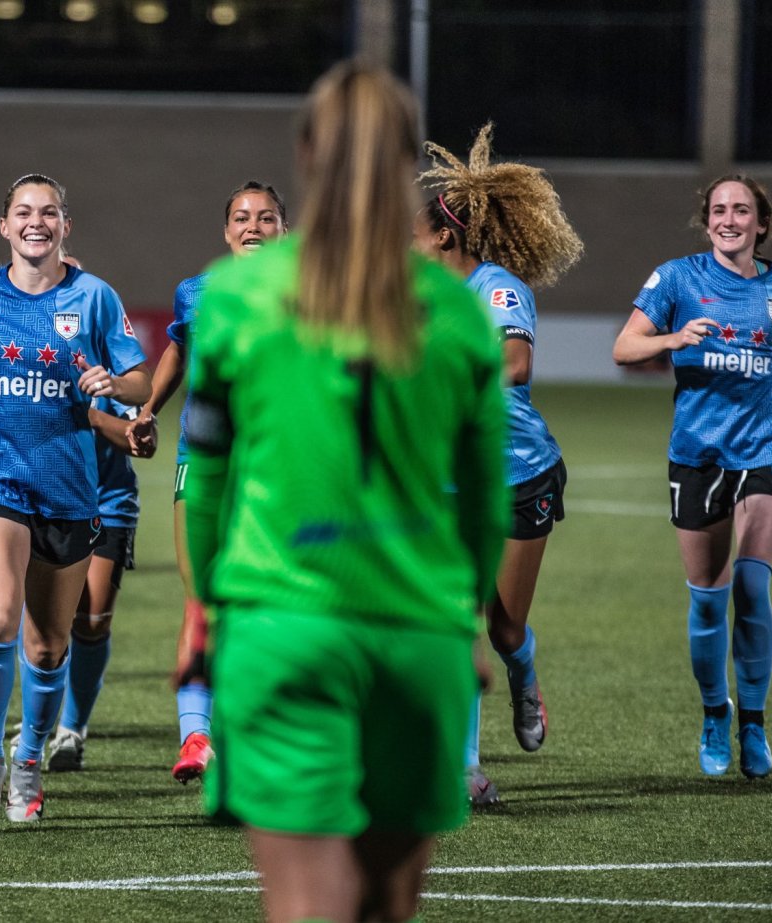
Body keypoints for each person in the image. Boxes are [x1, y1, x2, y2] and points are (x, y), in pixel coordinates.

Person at [185, 61, 507, 923]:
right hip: (419, 637)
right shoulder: (461, 312)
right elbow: (485, 503)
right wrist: (467, 619)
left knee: (308, 908)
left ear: (305, 154)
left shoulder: (236, 295)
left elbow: (207, 479)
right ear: (410, 162)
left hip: (281, 625)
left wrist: (205, 614)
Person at [0, 173, 151, 823]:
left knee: (47, 648)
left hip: (70, 490)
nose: (36, 221)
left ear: (64, 226)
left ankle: (28, 762)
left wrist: (116, 382)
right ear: (9, 226)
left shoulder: (95, 297)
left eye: (49, 212)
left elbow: (138, 381)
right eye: (25, 212)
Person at [612, 174, 772, 780]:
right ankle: (716, 712)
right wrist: (675, 336)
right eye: (719, 209)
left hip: (766, 445)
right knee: (709, 602)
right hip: (698, 453)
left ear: (760, 223)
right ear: (707, 220)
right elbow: (624, 348)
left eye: (741, 210)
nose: (729, 219)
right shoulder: (677, 278)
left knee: (753, 587)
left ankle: (755, 723)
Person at [416, 122, 583, 806]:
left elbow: (514, 364)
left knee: (502, 623)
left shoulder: (496, 289)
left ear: (443, 237)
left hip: (519, 473)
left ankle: (524, 670)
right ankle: (464, 771)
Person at [127, 180, 288, 784]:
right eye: (242, 218)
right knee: (203, 600)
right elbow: (178, 350)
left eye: (266, 218)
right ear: (226, 232)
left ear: (283, 230)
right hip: (206, 462)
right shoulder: (198, 293)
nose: (253, 226)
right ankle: (196, 736)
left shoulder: (307, 293)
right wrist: (148, 413)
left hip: (278, 469)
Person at [45, 392, 153, 771]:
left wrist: (92, 416)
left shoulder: (116, 359)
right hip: (44, 497)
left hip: (107, 501)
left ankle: (71, 730)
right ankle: (37, 722)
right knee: (44, 624)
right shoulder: (26, 340)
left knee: (91, 622)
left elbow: (142, 443)